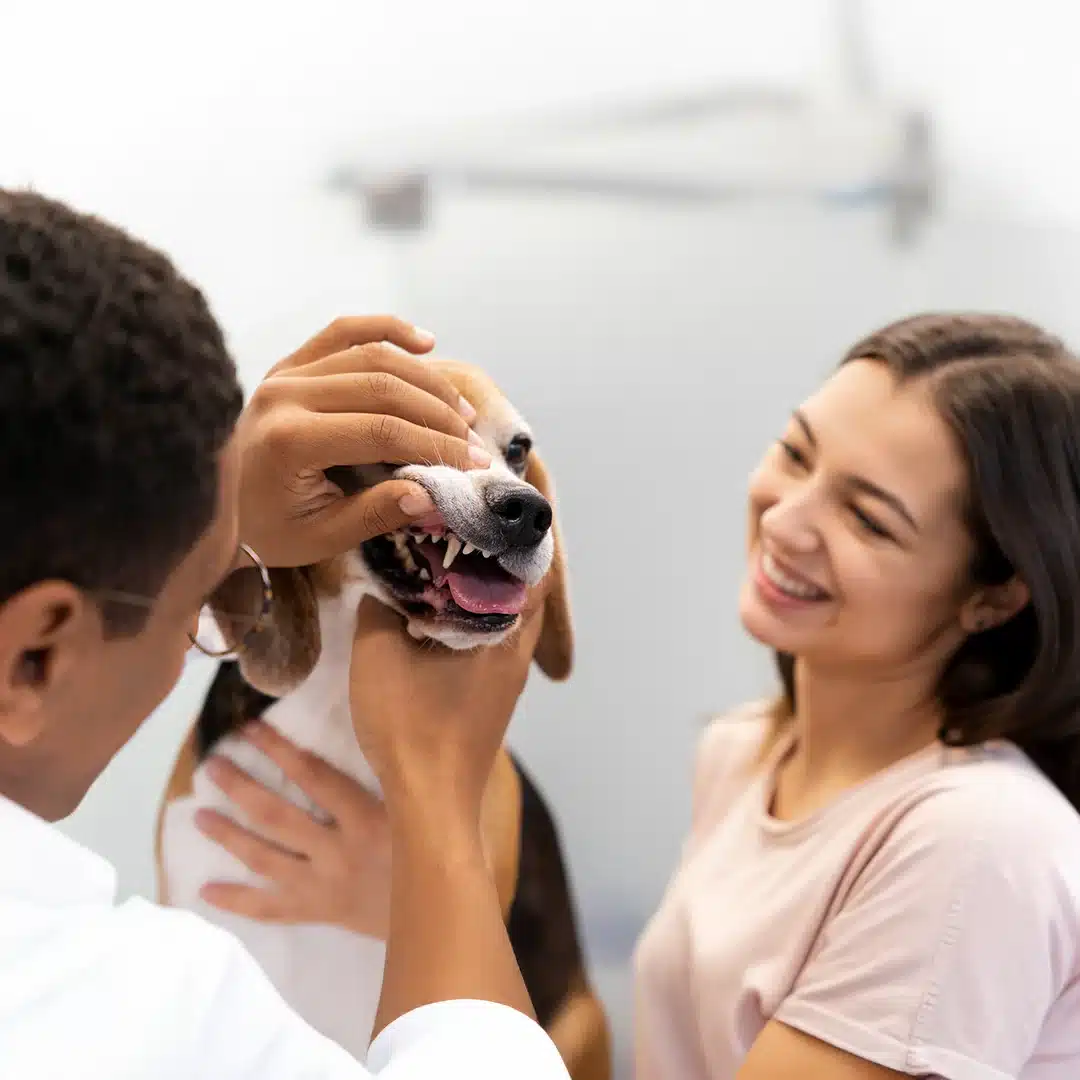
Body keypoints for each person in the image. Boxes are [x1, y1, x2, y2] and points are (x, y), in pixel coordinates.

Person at [218, 313, 1080, 1080]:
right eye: (797, 454)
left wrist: (433, 801)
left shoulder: (980, 844)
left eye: (868, 519)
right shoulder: (747, 752)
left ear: (995, 594)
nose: (786, 520)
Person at [0, 188, 569, 1078]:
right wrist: (432, 797)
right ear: (31, 659)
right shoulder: (158, 1014)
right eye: (205, 604)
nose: (231, 623)